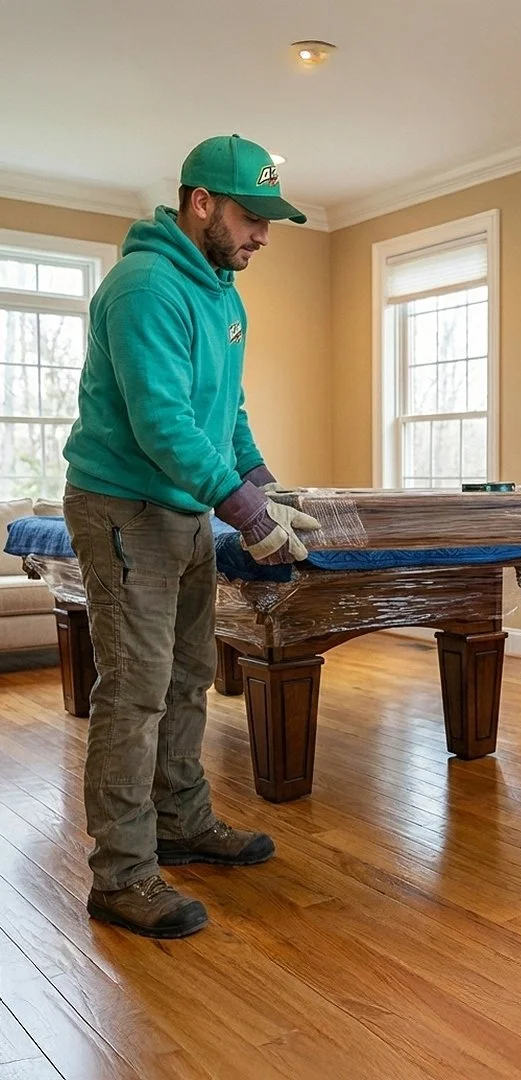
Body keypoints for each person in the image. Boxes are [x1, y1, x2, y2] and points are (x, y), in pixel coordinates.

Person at [62, 134, 320, 938]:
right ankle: (122, 874)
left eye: (271, 222)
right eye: (252, 217)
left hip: (183, 510)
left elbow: (227, 416)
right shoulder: (144, 286)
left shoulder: (222, 292)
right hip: (124, 507)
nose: (264, 237)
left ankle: (181, 821)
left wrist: (269, 492)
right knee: (135, 692)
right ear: (200, 203)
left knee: (187, 676)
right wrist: (243, 513)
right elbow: (163, 423)